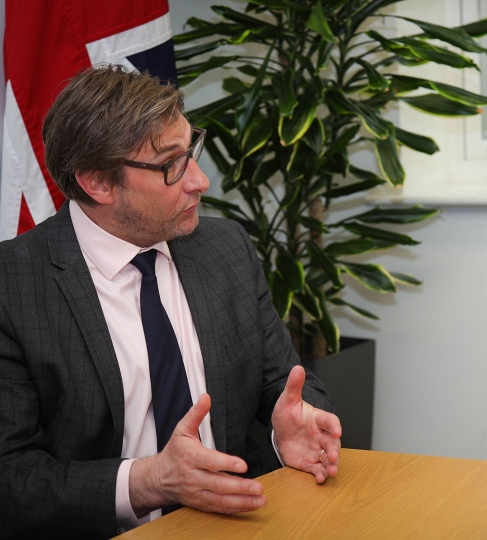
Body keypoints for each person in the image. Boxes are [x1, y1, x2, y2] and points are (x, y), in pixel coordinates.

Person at [0, 65, 342, 539]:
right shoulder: (12, 286)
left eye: (192, 151)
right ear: (97, 183)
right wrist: (149, 482)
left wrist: (293, 426)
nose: (200, 181)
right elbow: (10, 479)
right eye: (170, 165)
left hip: (239, 522)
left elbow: (279, 384)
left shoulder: (225, 247)